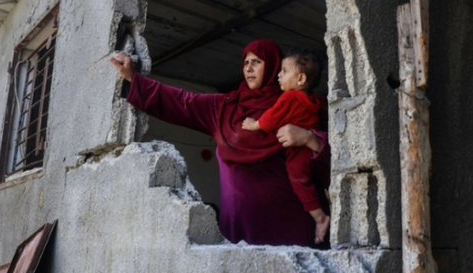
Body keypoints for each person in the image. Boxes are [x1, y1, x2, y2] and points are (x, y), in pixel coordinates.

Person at [110, 39, 330, 248]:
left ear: (273, 66)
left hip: (292, 227)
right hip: (239, 227)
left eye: (257, 62)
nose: (249, 68)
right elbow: (181, 101)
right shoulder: (224, 108)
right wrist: (133, 79)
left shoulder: (299, 105)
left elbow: (337, 157)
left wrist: (310, 138)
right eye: (245, 62)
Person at [242, 49, 329, 244]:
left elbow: (271, 118)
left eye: (284, 71)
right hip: (312, 152)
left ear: (300, 79)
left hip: (298, 152)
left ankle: (320, 218)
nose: (279, 76)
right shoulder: (312, 100)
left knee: (299, 180)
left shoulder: (289, 97)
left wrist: (254, 125)